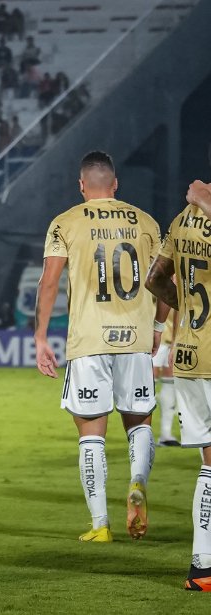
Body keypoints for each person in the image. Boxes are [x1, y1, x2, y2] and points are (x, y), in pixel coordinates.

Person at [34, 151, 161, 542]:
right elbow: (164, 279)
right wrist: (158, 325)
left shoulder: (66, 222)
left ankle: (100, 524)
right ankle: (137, 480)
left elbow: (50, 281)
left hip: (89, 339)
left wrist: (40, 336)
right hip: (136, 335)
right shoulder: (146, 221)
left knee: (91, 432)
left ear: (82, 185)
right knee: (138, 420)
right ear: (116, 184)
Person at [145, 179, 211, 591]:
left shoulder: (183, 219)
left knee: (209, 463)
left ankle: (202, 567)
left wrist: (184, 305)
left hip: (187, 353)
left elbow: (154, 279)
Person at [152, 308, 181, 446]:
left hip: (174, 335)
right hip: (153, 332)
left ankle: (165, 434)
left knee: (171, 382)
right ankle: (140, 434)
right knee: (147, 384)